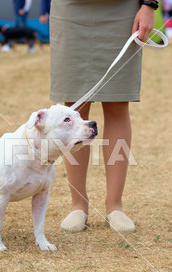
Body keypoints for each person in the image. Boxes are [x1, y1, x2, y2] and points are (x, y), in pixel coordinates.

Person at [50, 0, 157, 233]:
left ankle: (114, 206)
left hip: (123, 10)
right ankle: (78, 205)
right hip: (70, 10)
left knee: (118, 102)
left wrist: (149, 5)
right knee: (74, 104)